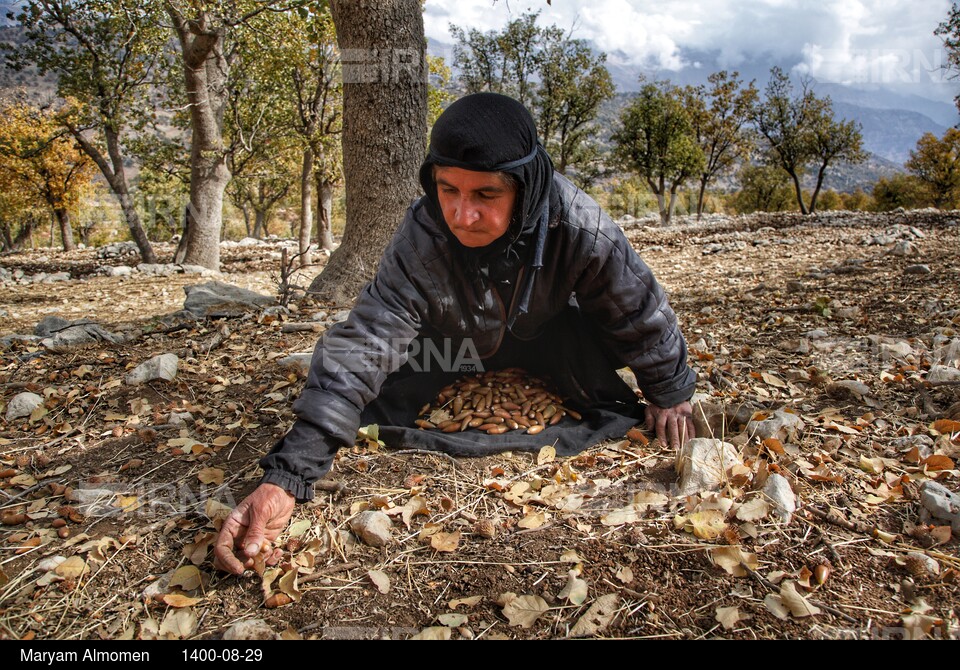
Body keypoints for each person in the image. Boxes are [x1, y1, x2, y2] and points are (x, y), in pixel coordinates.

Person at [214, 93, 696, 574]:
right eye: (448, 190)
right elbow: (370, 337)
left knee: (596, 341)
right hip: (454, 349)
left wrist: (668, 389)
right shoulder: (422, 236)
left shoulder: (580, 225)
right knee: (376, 368)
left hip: (551, 342)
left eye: (486, 195)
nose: (463, 216)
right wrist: (289, 475)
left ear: (525, 189)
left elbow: (635, 308)